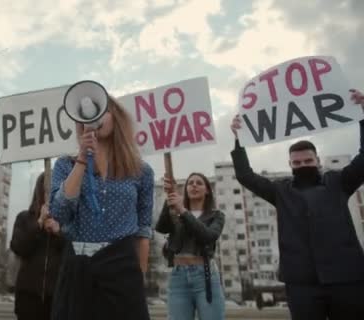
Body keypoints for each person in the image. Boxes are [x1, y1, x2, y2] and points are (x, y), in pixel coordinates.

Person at [229, 89, 364, 320]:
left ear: (318, 161)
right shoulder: (281, 190)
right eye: (297, 162)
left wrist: (362, 114)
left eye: (308, 161)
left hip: (346, 277)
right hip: (302, 283)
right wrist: (239, 139)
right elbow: (245, 175)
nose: (303, 165)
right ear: (290, 164)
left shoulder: (338, 181)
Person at [50, 96, 154, 320]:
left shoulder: (141, 171)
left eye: (102, 111)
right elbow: (58, 213)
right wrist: (81, 160)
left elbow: (143, 231)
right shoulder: (65, 165)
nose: (94, 116)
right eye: (88, 113)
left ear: (116, 118)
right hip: (79, 267)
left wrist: (139, 276)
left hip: (122, 267)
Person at [155, 172, 225, 320]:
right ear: (185, 189)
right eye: (190, 183)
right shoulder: (177, 213)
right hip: (178, 277)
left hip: (205, 277)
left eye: (199, 183)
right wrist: (169, 197)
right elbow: (161, 227)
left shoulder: (216, 215)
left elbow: (207, 236)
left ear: (207, 190)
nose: (194, 185)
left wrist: (183, 211)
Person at [10, 172, 65, 320]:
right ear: (39, 190)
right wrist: (38, 223)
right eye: (47, 189)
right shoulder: (24, 218)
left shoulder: (67, 219)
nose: (51, 193)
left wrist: (58, 231)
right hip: (28, 296)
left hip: (58, 296)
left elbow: (73, 251)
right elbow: (18, 247)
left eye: (56, 188)